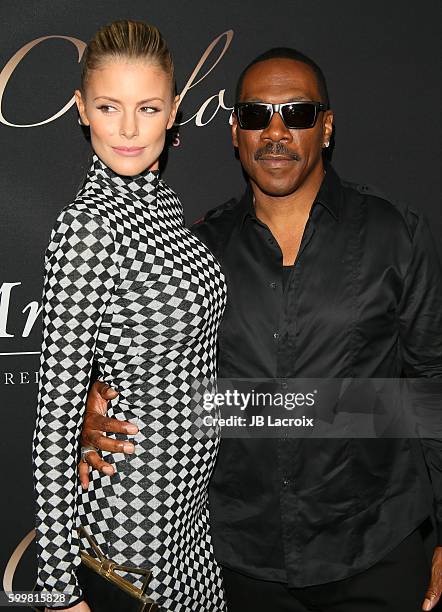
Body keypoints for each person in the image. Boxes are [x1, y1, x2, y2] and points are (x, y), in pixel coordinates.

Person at [79, 48, 442, 611]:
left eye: (297, 113)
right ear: (234, 133)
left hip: (377, 549)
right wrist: (92, 406)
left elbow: (431, 385)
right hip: (238, 564)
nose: (276, 132)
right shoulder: (193, 255)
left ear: (326, 127)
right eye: (255, 116)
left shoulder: (397, 235)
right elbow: (161, 383)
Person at [32, 19, 227, 612]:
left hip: (189, 528)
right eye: (109, 106)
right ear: (81, 109)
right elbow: (55, 422)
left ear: (172, 112)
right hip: (129, 538)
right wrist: (60, 591)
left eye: (147, 108)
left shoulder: (163, 205)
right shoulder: (90, 226)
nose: (128, 129)